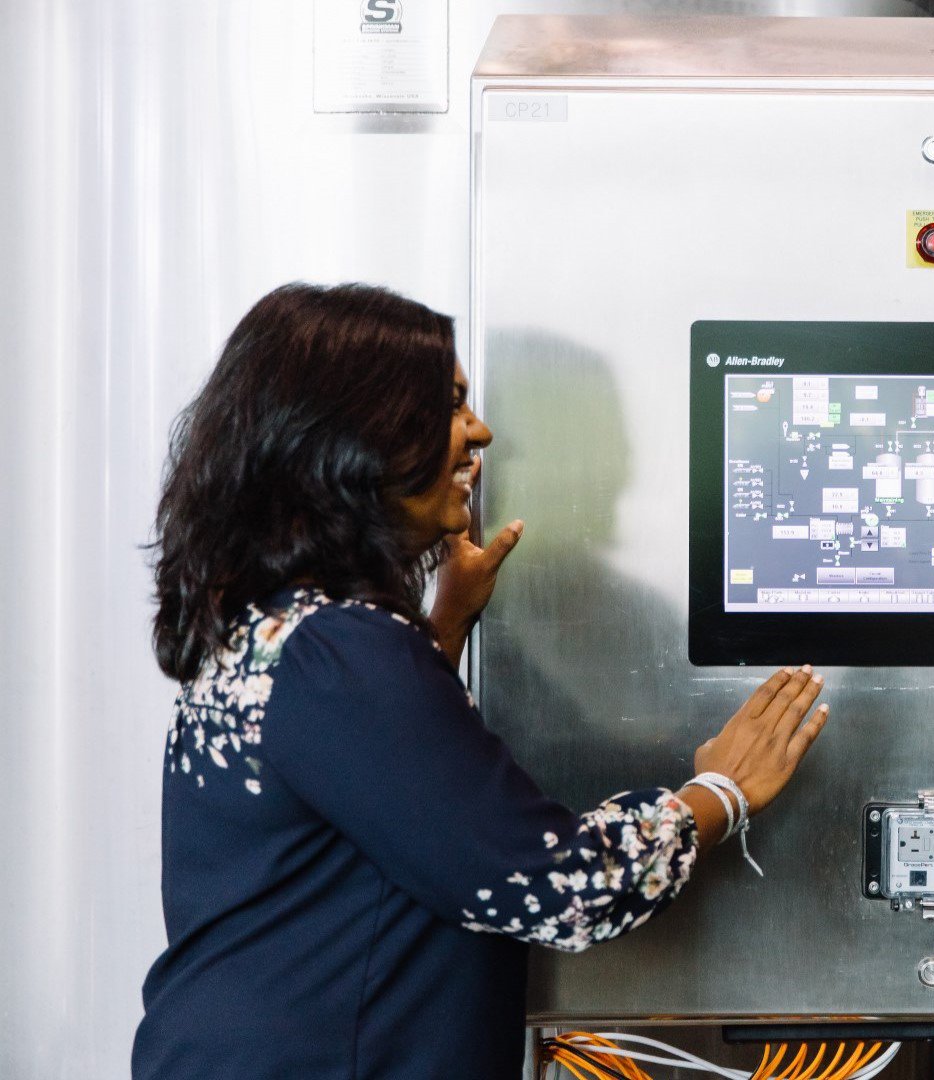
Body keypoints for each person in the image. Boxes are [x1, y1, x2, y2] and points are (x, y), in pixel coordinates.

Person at [132, 283, 830, 1080]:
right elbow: (558, 887)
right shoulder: (343, 655)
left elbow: (372, 809)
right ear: (360, 436)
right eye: (451, 406)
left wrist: (441, 634)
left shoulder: (282, 630)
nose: (482, 432)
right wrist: (720, 792)